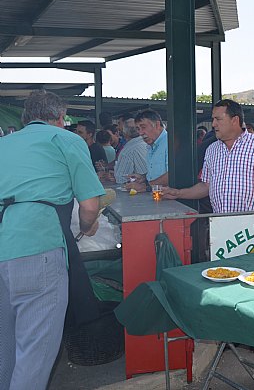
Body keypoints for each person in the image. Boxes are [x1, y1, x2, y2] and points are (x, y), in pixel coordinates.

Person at [0, 90, 103, 390]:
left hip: (5, 244)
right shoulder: (66, 139)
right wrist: (87, 228)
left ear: (25, 118)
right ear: (60, 118)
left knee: (5, 345)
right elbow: (90, 205)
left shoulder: (4, 144)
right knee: (35, 350)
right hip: (39, 247)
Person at [162, 99, 254, 212]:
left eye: (218, 119)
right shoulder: (212, 150)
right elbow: (206, 186)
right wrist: (178, 193)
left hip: (252, 225)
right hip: (220, 224)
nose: (213, 124)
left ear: (234, 120)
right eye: (213, 119)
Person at [126, 109, 168, 192]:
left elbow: (173, 175)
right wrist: (143, 178)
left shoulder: (170, 143)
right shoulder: (151, 145)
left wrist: (146, 186)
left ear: (157, 125)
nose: (140, 133)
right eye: (138, 129)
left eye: (143, 127)